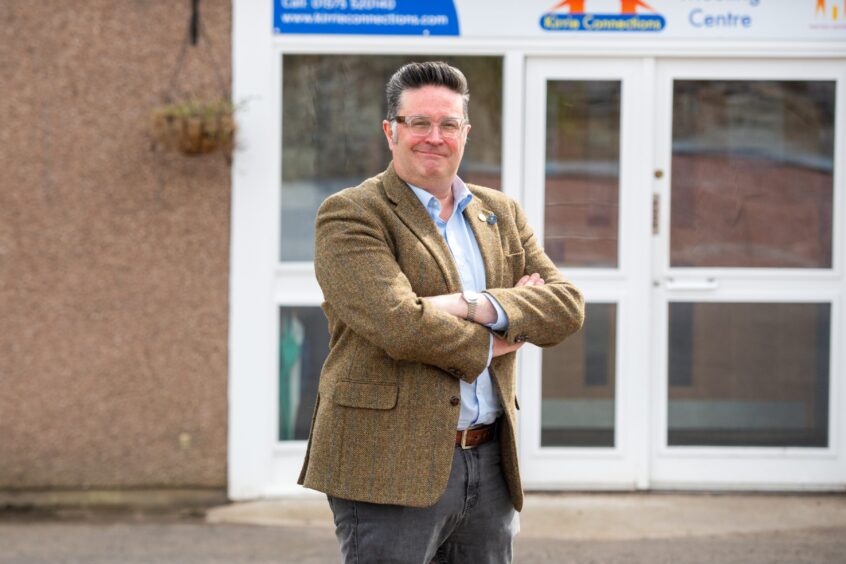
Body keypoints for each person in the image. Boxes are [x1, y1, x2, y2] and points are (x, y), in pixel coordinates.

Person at [298, 61, 584, 563]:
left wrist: (470, 304)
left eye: (448, 124)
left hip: (490, 460)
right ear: (391, 130)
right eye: (419, 123)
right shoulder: (352, 212)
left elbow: (564, 307)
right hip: (386, 461)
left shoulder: (500, 212)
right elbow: (397, 324)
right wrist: (500, 336)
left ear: (465, 132)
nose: (435, 136)